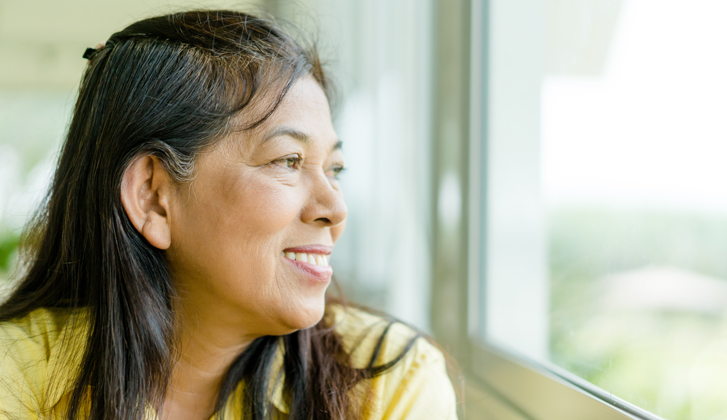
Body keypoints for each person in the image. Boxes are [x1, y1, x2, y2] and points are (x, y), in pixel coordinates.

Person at [0, 9, 457, 420]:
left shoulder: (390, 385)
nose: (334, 209)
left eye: (335, 169)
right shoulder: (15, 377)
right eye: (289, 161)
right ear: (154, 198)